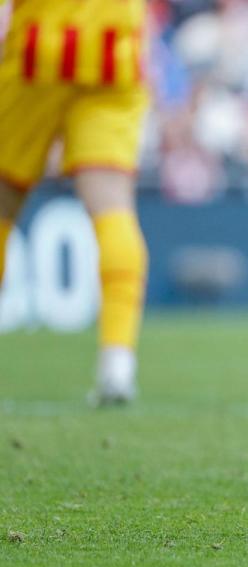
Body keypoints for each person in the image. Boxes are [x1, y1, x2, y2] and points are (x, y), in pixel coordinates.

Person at [0, 0, 149, 405]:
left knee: (3, 199)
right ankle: (117, 363)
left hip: (40, 48)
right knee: (114, 208)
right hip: (114, 49)